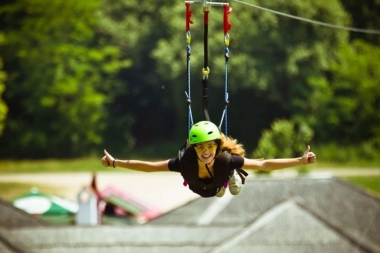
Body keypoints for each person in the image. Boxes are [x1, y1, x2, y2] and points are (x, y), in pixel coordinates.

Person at [101, 121, 316, 198]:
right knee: (215, 192)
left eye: (210, 147)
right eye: (201, 147)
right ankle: (220, 186)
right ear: (193, 148)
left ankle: (230, 178)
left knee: (232, 189)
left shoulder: (226, 158)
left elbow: (264, 165)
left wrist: (301, 160)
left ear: (217, 146)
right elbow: (148, 167)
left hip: (221, 176)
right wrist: (114, 162)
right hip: (203, 189)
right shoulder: (184, 162)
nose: (205, 152)